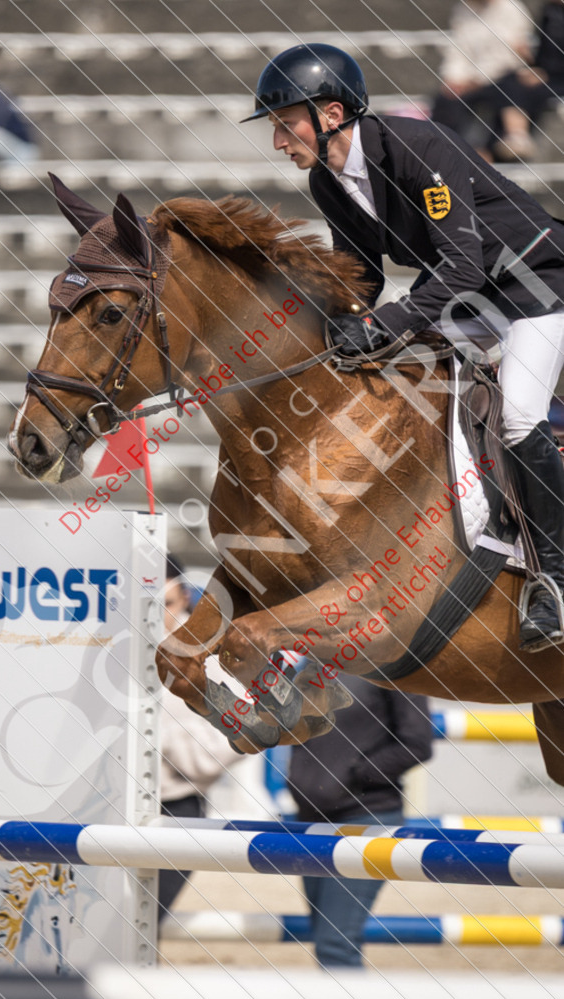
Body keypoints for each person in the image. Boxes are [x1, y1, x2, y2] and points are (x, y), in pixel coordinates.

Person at [242, 43, 564, 653]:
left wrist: (386, 323)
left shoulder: (417, 147)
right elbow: (359, 274)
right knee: (392, 378)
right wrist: (316, 323)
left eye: (286, 125)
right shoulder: (327, 179)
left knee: (520, 417)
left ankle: (556, 577)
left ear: (331, 114)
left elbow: (462, 264)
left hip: (536, 284)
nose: (279, 142)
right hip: (470, 298)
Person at [288, 678, 432, 969]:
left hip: (366, 820)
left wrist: (357, 773)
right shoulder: (314, 659)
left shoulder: (394, 662)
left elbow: (417, 742)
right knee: (328, 941)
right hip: (312, 822)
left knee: (335, 944)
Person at [158, 555, 243, 920]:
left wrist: (147, 728)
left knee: (138, 921)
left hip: (174, 809)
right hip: (107, 806)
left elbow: (214, 755)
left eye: (167, 604)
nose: (162, 616)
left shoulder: (209, 661)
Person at [430, 0, 538, 160]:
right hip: (469, 80)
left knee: (510, 89)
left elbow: (508, 53)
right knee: (446, 100)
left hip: (500, 75)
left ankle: (505, 144)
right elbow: (457, 49)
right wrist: (454, 78)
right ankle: (445, 151)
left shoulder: (511, 10)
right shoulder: (462, 10)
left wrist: (476, 79)